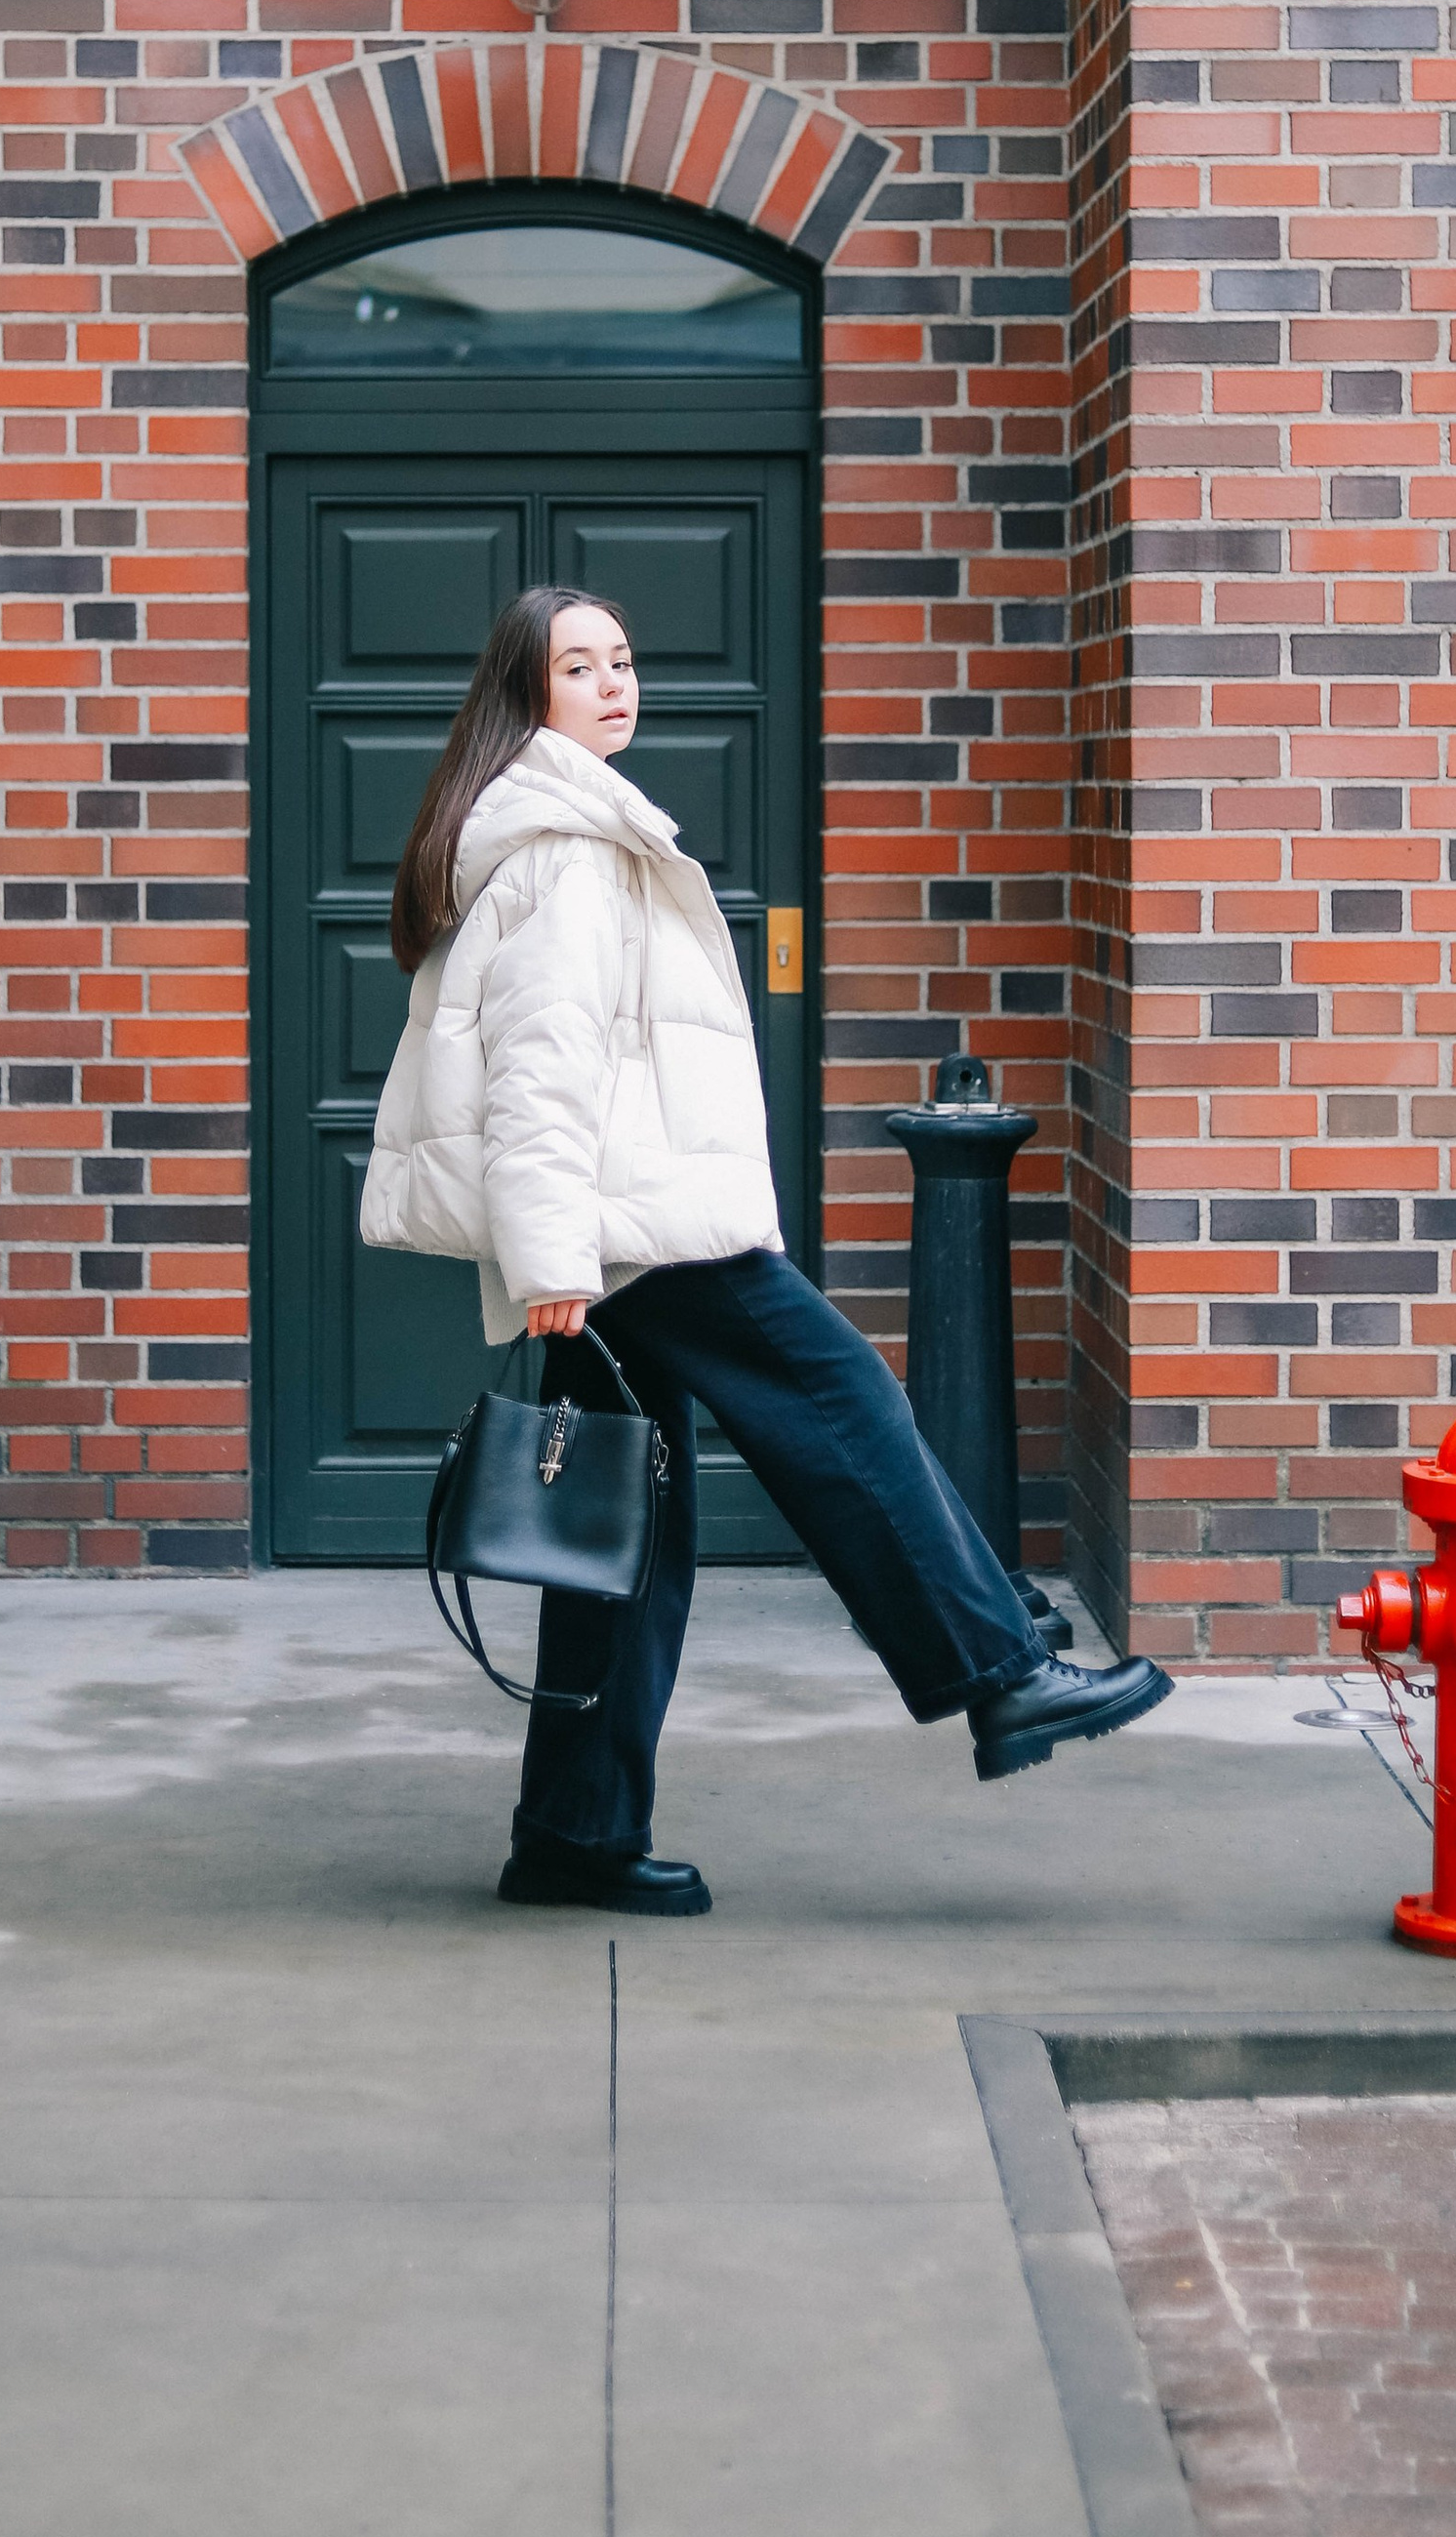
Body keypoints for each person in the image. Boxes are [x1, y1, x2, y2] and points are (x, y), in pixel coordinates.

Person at [361, 583, 1172, 1916]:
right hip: (632, 1230)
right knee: (838, 1390)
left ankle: (575, 1834)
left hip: (614, 1227)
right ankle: (997, 1672)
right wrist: (555, 1256)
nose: (616, 682)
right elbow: (539, 1079)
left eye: (623, 658)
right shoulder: (567, 852)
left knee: (634, 1529)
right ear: (529, 696)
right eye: (580, 666)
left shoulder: (568, 831)